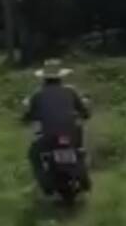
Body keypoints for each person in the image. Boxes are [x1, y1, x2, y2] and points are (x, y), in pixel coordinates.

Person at [20, 60, 92, 195]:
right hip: (72, 134)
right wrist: (84, 114)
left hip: (50, 136)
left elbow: (28, 115)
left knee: (34, 154)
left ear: (43, 79)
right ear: (61, 77)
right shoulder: (71, 91)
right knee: (79, 150)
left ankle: (44, 183)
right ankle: (84, 175)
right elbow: (84, 112)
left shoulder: (37, 95)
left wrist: (26, 119)